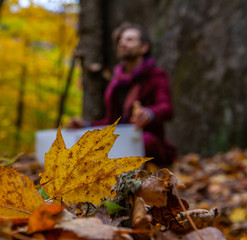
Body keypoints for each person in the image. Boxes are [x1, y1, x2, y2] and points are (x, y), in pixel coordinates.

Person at [67, 22, 176, 166]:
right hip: (120, 144)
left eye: (130, 40)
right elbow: (111, 122)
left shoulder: (156, 75)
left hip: (149, 146)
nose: (122, 43)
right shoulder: (115, 82)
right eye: (121, 40)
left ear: (144, 47)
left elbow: (167, 108)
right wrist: (85, 125)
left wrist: (150, 113)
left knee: (145, 140)